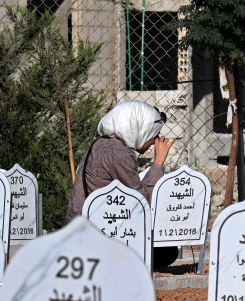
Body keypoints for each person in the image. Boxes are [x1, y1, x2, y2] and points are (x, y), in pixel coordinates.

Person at [66, 100, 179, 267]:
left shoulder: (99, 144)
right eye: (154, 134)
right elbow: (142, 203)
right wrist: (158, 162)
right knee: (168, 252)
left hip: (80, 231)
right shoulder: (121, 154)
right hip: (101, 238)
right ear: (140, 128)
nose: (155, 141)